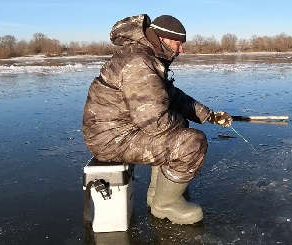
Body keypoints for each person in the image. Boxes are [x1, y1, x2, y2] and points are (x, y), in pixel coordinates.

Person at [82, 14, 232, 224]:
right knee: (191, 143)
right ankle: (165, 205)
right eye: (178, 43)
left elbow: (173, 96)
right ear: (161, 38)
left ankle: (158, 195)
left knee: (179, 130)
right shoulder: (139, 63)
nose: (181, 50)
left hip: (121, 129)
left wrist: (209, 115)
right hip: (111, 139)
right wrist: (182, 124)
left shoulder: (146, 56)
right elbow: (155, 124)